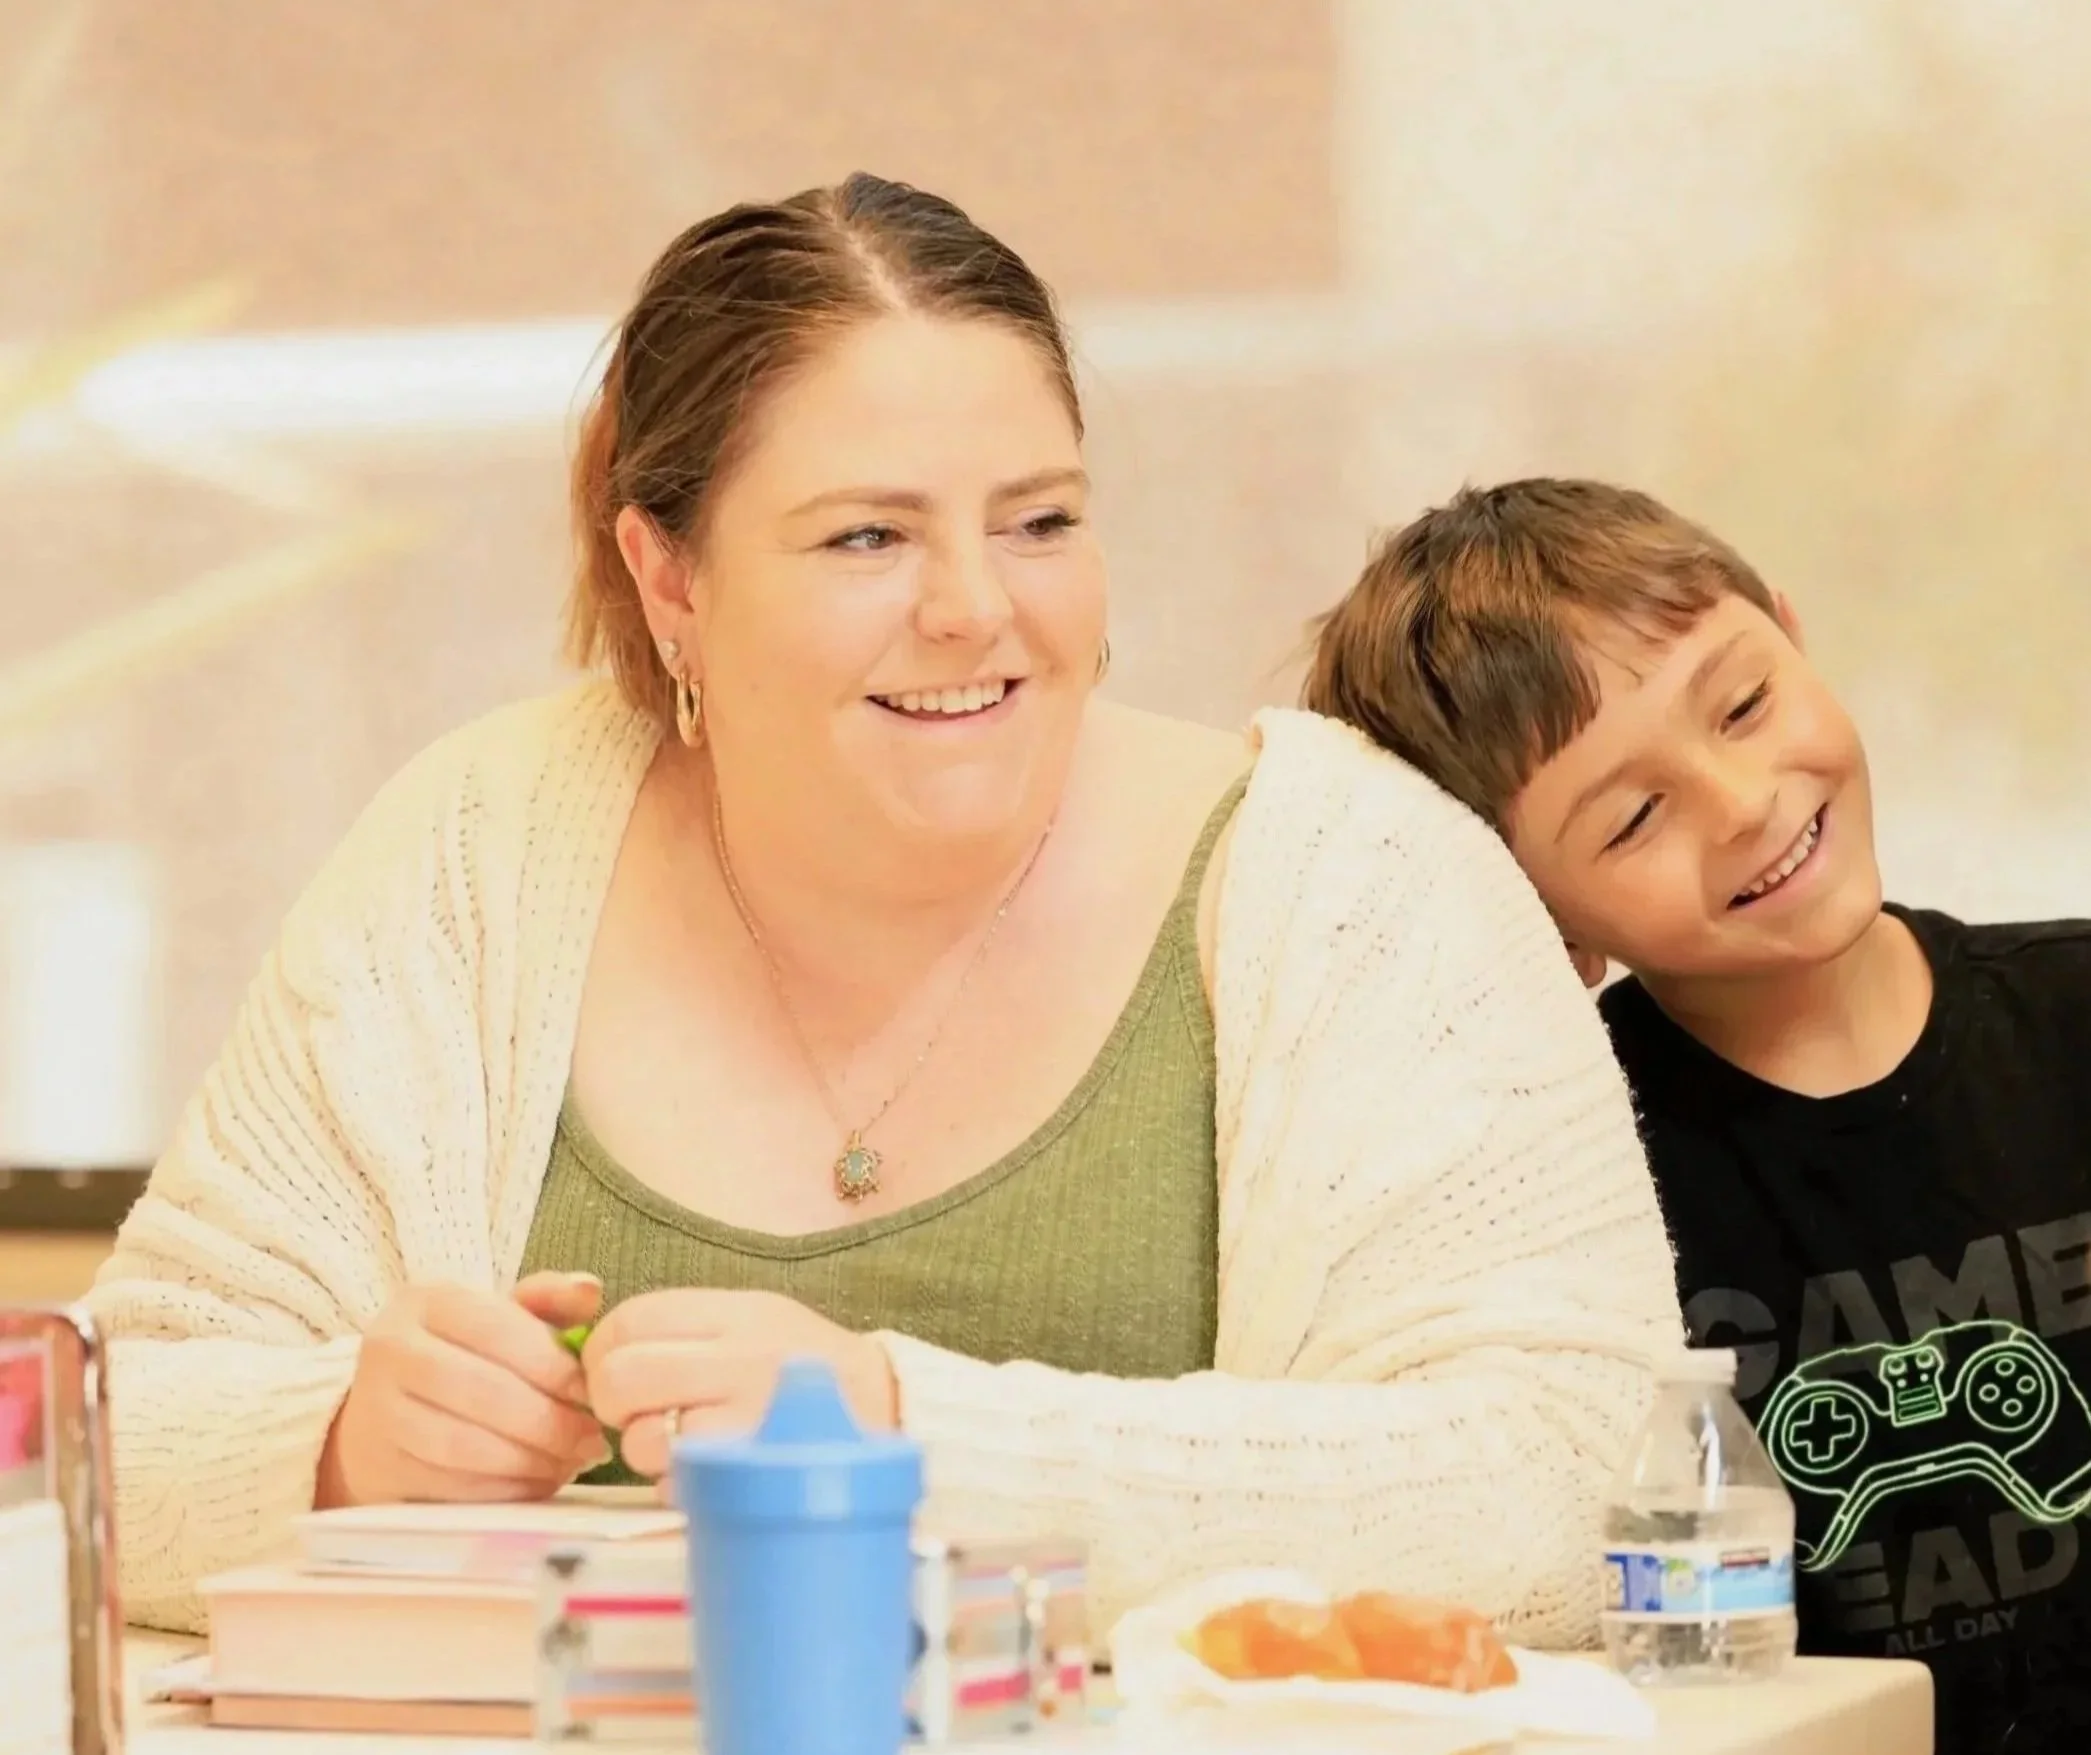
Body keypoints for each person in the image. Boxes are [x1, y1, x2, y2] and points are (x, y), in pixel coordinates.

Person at [91, 181, 1677, 1641]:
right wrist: (340, 1450)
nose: (974, 606)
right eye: (868, 534)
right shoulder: (469, 858)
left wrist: (907, 1437)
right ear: (669, 579)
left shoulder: (1354, 882)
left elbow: (1564, 1482)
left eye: (1037, 520)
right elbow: (99, 1436)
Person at [1303, 475, 2091, 1754]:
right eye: (1633, 818)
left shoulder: (2070, 1015)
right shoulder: (1561, 1190)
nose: (1743, 802)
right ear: (1539, 923)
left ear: (1793, 632)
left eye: (1744, 701)